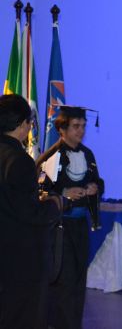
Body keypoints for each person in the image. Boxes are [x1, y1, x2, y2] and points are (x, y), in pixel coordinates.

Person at [36, 105, 103, 329]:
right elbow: (39, 191)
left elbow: (97, 180)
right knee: (62, 279)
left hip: (80, 226)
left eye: (83, 126)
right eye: (76, 126)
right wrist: (63, 193)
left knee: (78, 279)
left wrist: (95, 187)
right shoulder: (51, 156)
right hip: (59, 228)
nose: (81, 131)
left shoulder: (88, 155)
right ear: (62, 129)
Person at [0, 94, 63, 329]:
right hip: (20, 261)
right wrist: (54, 203)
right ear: (23, 124)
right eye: (30, 122)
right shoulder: (19, 160)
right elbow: (31, 214)